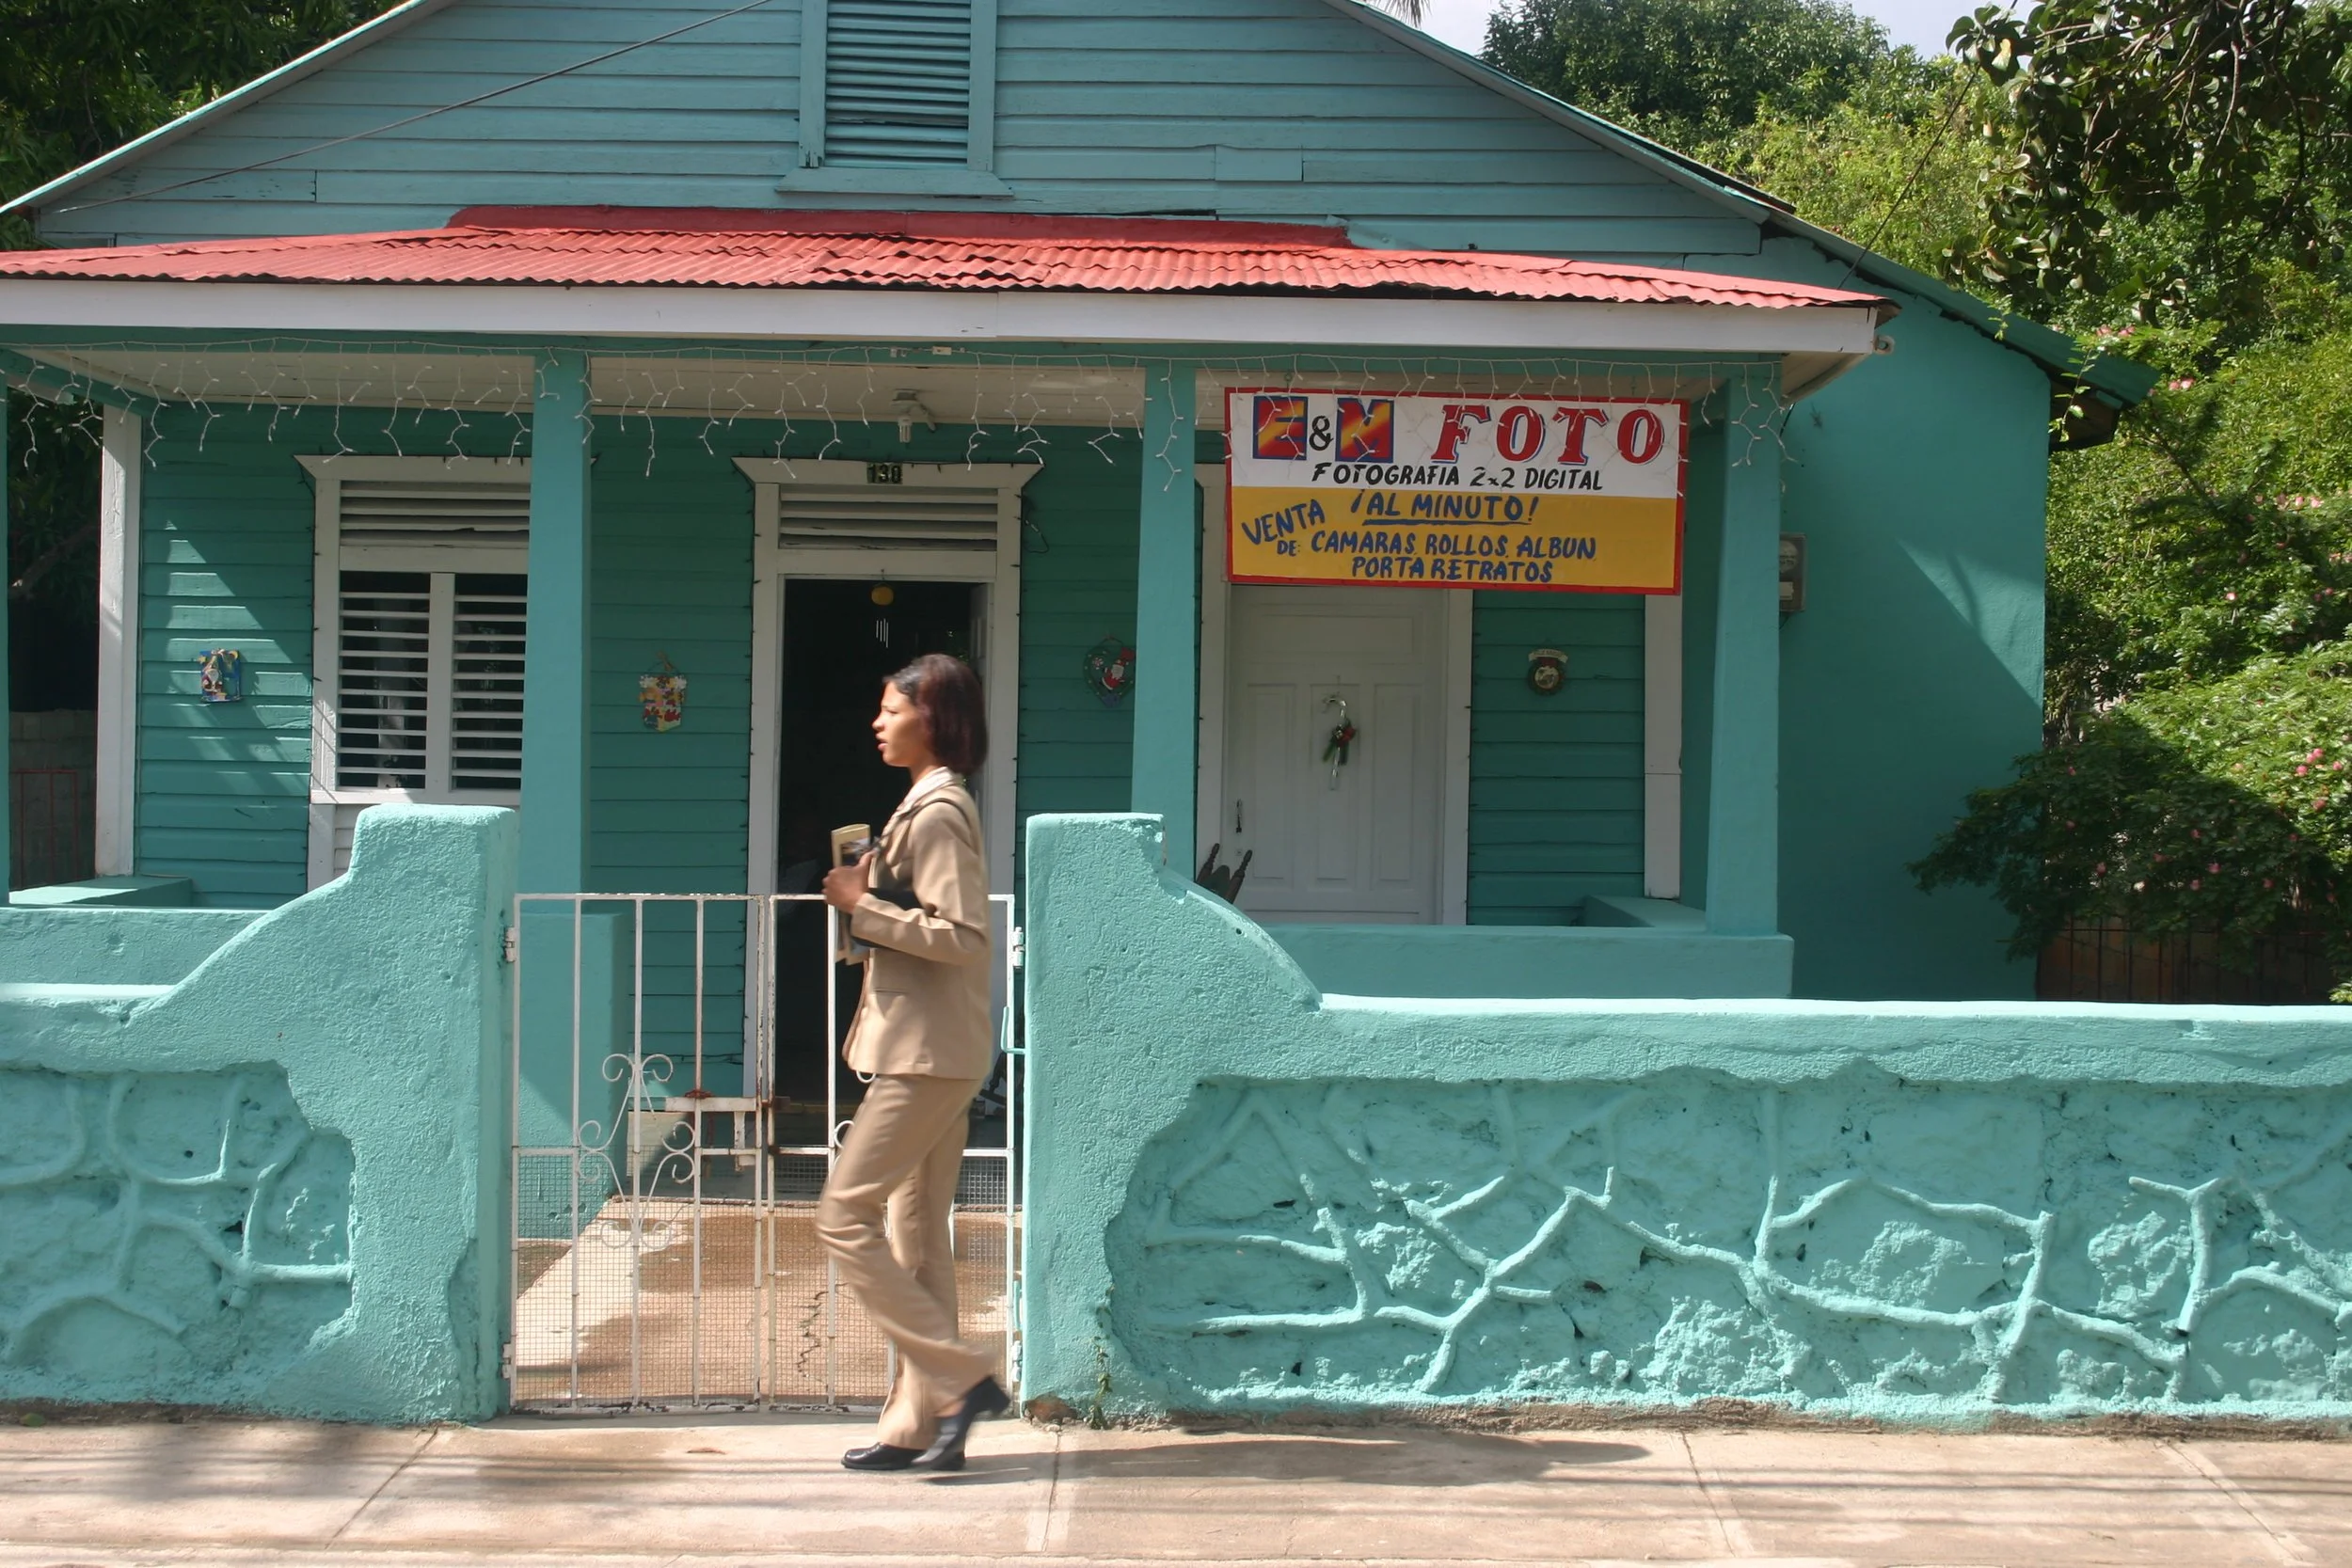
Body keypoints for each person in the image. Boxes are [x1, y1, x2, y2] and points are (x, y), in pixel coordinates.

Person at [818, 652, 1009, 1473]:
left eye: (891, 708)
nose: (878, 721)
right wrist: (869, 902)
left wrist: (865, 909)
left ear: (930, 717)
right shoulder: (925, 806)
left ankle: (964, 1377)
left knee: (841, 1215)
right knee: (917, 1232)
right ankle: (916, 1420)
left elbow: (964, 937)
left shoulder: (937, 814)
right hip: (937, 1048)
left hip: (927, 1057)